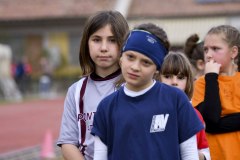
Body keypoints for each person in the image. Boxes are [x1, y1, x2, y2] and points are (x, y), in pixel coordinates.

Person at [91, 23, 203, 160]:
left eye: (146, 62)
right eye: (130, 57)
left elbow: (189, 154)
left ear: (157, 68)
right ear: (121, 58)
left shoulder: (176, 100)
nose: (135, 67)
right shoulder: (106, 107)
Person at [57, 10, 129, 160]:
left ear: (124, 43)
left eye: (112, 40)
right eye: (96, 40)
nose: (103, 48)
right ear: (86, 43)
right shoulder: (76, 91)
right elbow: (68, 143)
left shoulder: (133, 85)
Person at [192, 25, 240, 160]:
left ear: (233, 52)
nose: (208, 55)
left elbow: (215, 125)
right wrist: (211, 77)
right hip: (216, 155)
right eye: (206, 49)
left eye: (215, 49)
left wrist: (221, 123)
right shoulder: (202, 83)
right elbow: (211, 121)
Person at [159, 51, 210, 160]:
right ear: (158, 77)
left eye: (180, 77)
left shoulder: (195, 115)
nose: (174, 82)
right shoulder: (147, 110)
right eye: (167, 76)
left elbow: (206, 153)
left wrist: (190, 152)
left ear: (188, 82)